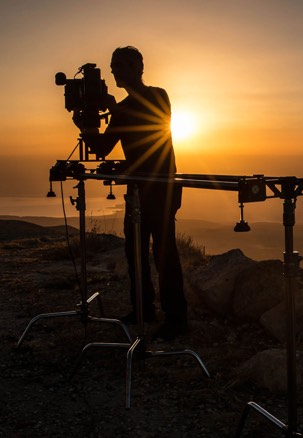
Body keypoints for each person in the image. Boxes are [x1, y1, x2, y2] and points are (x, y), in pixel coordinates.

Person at [79, 46, 187, 341]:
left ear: (139, 68)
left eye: (122, 65)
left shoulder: (157, 95)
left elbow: (153, 120)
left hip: (161, 188)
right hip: (138, 190)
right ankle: (142, 310)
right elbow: (103, 149)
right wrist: (86, 126)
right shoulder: (122, 108)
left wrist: (113, 108)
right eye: (114, 65)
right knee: (135, 252)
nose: (115, 70)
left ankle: (177, 319)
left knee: (164, 254)